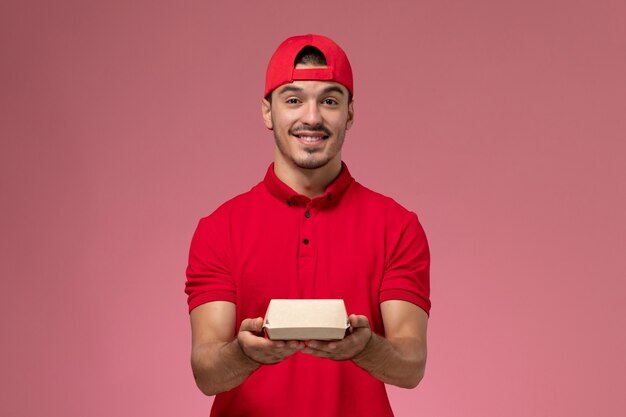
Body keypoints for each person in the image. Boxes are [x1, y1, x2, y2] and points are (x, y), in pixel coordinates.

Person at [185, 34, 431, 417]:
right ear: (268, 111)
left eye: (330, 101)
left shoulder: (397, 226)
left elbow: (411, 364)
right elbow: (207, 371)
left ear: (350, 113)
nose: (312, 117)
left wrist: (365, 348)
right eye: (294, 99)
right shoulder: (219, 229)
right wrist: (243, 354)